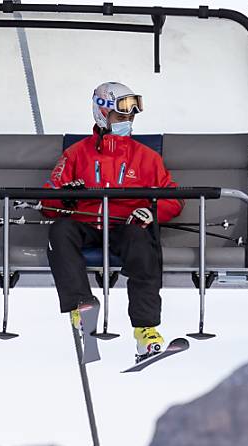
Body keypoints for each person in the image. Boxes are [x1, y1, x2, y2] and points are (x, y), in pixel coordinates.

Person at [42, 82, 183, 363]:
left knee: (143, 243)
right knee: (59, 232)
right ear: (101, 114)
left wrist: (152, 212)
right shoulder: (76, 154)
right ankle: (81, 307)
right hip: (85, 222)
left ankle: (146, 330)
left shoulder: (147, 158)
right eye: (121, 117)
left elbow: (174, 198)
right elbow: (47, 199)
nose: (127, 122)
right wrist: (66, 198)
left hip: (123, 225)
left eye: (130, 117)